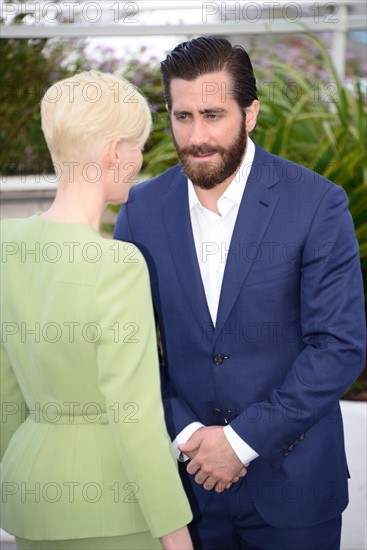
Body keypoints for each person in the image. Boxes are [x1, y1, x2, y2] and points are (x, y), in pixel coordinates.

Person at [113, 37, 366, 550]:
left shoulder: (316, 204)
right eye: (183, 116)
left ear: (249, 114)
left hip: (294, 489)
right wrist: (186, 434)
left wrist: (241, 442)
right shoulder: (140, 211)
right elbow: (125, 348)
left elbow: (337, 346)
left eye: (213, 114)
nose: (197, 136)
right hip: (182, 492)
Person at [0, 71, 193, 550]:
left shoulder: (7, 243)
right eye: (137, 147)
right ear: (114, 151)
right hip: (112, 507)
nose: (138, 161)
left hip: (30, 492)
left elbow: (5, 390)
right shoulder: (118, 264)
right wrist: (178, 539)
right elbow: (136, 419)